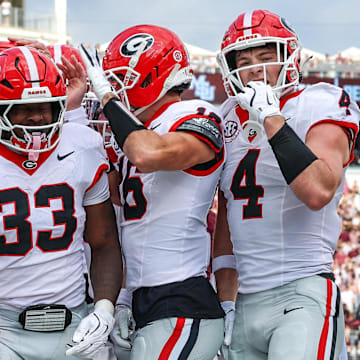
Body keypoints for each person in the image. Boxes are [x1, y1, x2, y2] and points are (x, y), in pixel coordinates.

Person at [212, 9, 360, 360]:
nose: (255, 70)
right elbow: (227, 224)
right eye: (244, 60)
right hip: (244, 300)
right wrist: (227, 301)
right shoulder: (226, 117)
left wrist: (272, 117)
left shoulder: (320, 102)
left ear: (290, 58)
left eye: (266, 57)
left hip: (302, 292)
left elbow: (318, 190)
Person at [80, 24, 226, 359]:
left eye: (118, 81)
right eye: (110, 83)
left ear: (151, 76)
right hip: (143, 300)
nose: (113, 90)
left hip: (182, 301)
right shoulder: (138, 135)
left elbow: (150, 154)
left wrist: (108, 99)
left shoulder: (195, 113)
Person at [0, 46, 123, 359]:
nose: (39, 116)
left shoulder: (81, 146)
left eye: (47, 106)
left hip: (73, 323)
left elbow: (104, 242)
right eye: (24, 108)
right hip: (4, 329)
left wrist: (105, 309)